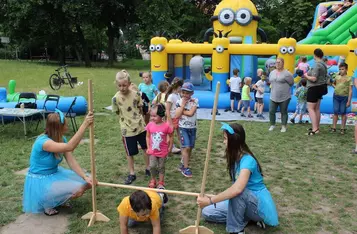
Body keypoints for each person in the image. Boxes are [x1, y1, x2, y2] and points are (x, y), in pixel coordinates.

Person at [197, 123, 279, 234]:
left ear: (234, 141)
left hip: (258, 206)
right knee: (207, 212)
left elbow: (237, 189)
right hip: (245, 202)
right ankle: (246, 219)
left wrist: (211, 200)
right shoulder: (235, 158)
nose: (223, 142)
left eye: (225, 139)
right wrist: (213, 199)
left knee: (237, 192)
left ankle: (237, 230)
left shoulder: (247, 161)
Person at [22, 110, 94, 216]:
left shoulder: (61, 138)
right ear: (59, 127)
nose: (68, 126)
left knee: (89, 181)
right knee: (78, 189)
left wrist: (84, 177)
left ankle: (58, 199)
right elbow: (70, 146)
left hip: (54, 174)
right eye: (66, 124)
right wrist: (84, 124)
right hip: (41, 180)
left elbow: (71, 161)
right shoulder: (44, 142)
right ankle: (48, 203)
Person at [112, 70, 150, 185]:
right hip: (127, 130)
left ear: (129, 83)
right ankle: (132, 173)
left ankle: (148, 168)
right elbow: (117, 112)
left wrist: (138, 120)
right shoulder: (116, 98)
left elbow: (140, 108)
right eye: (120, 86)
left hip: (140, 127)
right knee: (130, 153)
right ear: (117, 85)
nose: (122, 88)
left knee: (145, 148)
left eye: (124, 85)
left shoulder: (136, 94)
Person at [146, 104, 173, 189]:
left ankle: (161, 181)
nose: (152, 118)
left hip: (163, 151)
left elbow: (171, 136)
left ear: (161, 115)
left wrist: (170, 147)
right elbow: (147, 136)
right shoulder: (150, 125)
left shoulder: (166, 126)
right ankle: (153, 179)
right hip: (153, 151)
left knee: (161, 167)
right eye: (151, 116)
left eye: (154, 116)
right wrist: (148, 147)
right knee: (152, 166)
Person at [175, 82, 199, 178]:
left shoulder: (195, 101)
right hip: (183, 127)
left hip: (192, 127)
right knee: (186, 147)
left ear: (192, 93)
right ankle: (185, 168)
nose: (185, 95)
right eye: (183, 92)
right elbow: (177, 115)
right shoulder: (179, 102)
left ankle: (183, 162)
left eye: (187, 93)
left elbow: (191, 113)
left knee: (190, 147)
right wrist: (182, 106)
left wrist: (182, 112)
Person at [303, 48, 328, 136]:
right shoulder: (324, 64)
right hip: (321, 87)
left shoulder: (317, 65)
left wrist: (306, 76)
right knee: (317, 108)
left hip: (314, 88)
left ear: (315, 55)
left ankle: (314, 129)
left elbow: (314, 78)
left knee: (310, 108)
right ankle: (317, 127)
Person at [268, 58, 294, 133]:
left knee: (283, 111)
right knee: (271, 111)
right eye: (276, 62)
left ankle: (283, 126)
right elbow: (270, 81)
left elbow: (291, 83)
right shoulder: (272, 72)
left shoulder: (287, 74)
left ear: (283, 63)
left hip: (284, 96)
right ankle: (272, 124)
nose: (277, 64)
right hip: (273, 96)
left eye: (279, 62)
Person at [331, 62, 352, 134]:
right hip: (336, 96)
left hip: (344, 97)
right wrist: (335, 87)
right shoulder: (337, 76)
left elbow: (350, 91)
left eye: (342, 69)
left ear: (346, 70)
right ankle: (333, 127)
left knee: (343, 112)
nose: (341, 71)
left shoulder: (349, 78)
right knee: (335, 111)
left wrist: (349, 101)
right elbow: (333, 83)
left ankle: (342, 128)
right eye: (339, 69)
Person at [165, 77, 184, 154]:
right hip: (172, 119)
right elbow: (167, 110)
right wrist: (170, 123)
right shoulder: (171, 96)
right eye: (181, 87)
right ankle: (167, 149)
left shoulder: (178, 95)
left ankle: (183, 148)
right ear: (178, 87)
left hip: (178, 118)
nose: (181, 88)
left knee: (180, 135)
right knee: (170, 137)